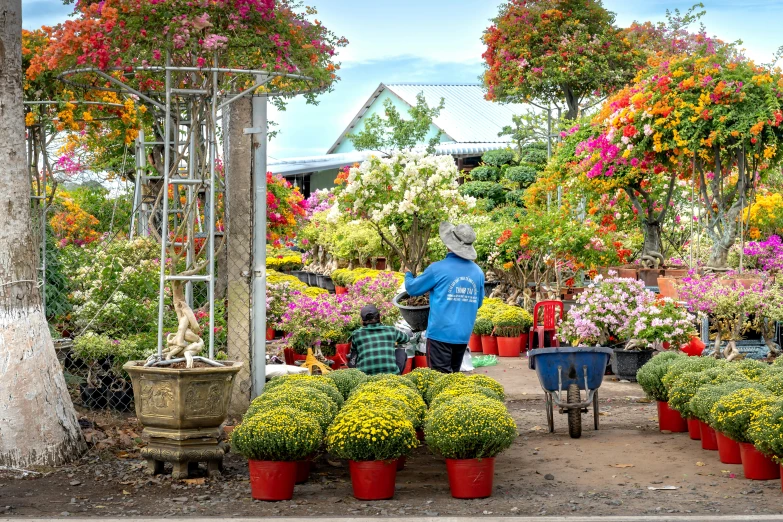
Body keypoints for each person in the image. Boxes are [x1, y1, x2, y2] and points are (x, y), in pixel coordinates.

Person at [404, 222, 485, 373]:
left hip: (440, 334)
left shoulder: (437, 268)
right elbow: (478, 303)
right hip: (463, 334)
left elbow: (412, 288)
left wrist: (408, 273)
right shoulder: (478, 272)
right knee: (453, 377)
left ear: (449, 244)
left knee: (440, 380)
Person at [348, 304, 410, 375]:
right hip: (390, 374)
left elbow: (353, 353)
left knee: (355, 352)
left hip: (365, 376)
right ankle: (396, 375)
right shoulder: (391, 330)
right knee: (401, 352)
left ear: (362, 321)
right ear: (379, 318)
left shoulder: (357, 334)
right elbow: (406, 339)